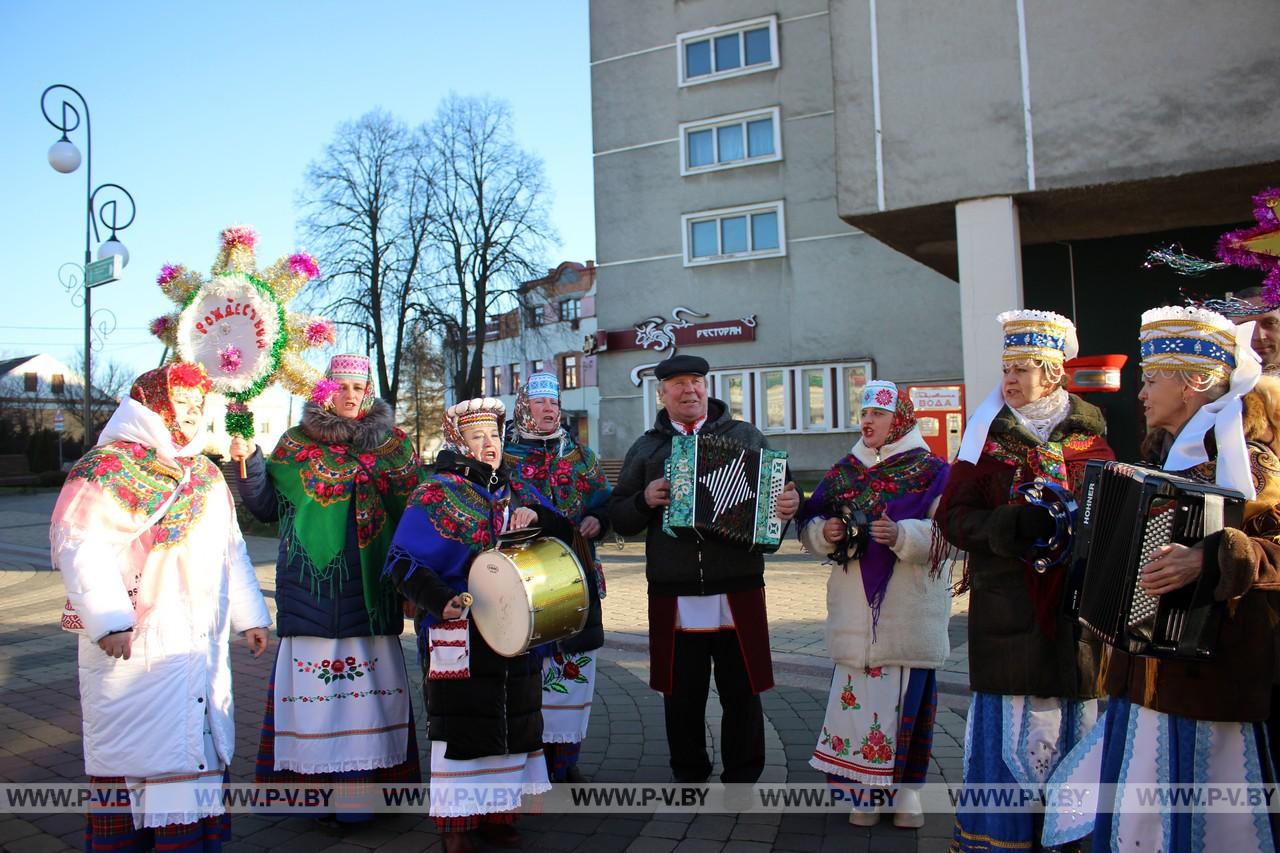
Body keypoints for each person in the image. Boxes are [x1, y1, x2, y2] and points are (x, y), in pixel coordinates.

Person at [1043, 305, 1279, 851]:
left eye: (1151, 380)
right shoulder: (1163, 458)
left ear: (1195, 382)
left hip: (1215, 683)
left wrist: (1215, 558)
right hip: (1145, 678)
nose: (1141, 394)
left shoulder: (1257, 463)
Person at [51, 362, 271, 851]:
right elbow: (78, 544)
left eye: (198, 405)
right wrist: (109, 620)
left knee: (194, 750)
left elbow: (230, 548)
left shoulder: (207, 473)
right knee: (137, 754)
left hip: (200, 641)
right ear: (152, 406)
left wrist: (250, 615)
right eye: (182, 404)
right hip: (136, 645)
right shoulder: (105, 468)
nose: (192, 414)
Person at [935, 310, 1115, 852]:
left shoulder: (1093, 440)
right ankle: (999, 839)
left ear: (1054, 374)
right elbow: (951, 519)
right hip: (1006, 611)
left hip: (1074, 614)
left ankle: (1069, 838)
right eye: (1005, 368)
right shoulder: (984, 440)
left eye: (1021, 369)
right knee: (1008, 737)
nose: (1008, 380)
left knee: (1074, 733)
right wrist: (1004, 527)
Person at [228, 354, 423, 819]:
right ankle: (313, 798)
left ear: (369, 390)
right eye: (341, 386)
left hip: (372, 592)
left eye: (359, 386)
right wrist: (249, 458)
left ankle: (361, 798)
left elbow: (416, 513)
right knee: (316, 704)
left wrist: (417, 583)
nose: (350, 395)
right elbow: (264, 506)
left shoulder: (395, 446)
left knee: (365, 705)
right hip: (310, 592)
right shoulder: (296, 445)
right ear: (324, 391)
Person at [384, 397, 576, 853]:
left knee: (513, 724)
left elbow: (563, 533)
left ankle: (500, 813)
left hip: (514, 631)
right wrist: (440, 600)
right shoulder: (435, 493)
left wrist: (538, 518)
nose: (488, 444)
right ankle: (457, 824)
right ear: (457, 441)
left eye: (493, 435)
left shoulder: (514, 492)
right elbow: (401, 561)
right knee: (462, 728)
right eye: (477, 436)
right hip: (461, 628)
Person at [607, 354, 801, 786]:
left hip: (738, 585)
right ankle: (689, 773)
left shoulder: (746, 436)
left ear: (707, 388)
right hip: (674, 590)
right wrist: (644, 500)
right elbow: (619, 516)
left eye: (695, 381)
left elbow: (782, 494)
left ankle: (743, 777)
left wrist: (791, 506)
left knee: (743, 689)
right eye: (677, 383)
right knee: (681, 693)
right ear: (661, 394)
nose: (688, 390)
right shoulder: (647, 448)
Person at [796, 381, 952, 828]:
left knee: (908, 706)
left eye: (878, 415)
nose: (867, 421)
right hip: (854, 610)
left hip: (908, 613)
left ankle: (907, 794)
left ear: (899, 419)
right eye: (864, 413)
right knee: (858, 704)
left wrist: (904, 536)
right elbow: (811, 519)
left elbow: (953, 537)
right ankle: (864, 791)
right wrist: (822, 534)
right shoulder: (845, 471)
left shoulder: (932, 471)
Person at [502, 372, 613, 783]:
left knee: (574, 670)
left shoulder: (579, 456)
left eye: (554, 404)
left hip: (577, 579)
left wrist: (598, 520)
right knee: (531, 674)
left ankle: (565, 762)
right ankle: (529, 762)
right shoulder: (502, 455)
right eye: (539, 403)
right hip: (524, 581)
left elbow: (606, 503)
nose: (549, 410)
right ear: (522, 407)